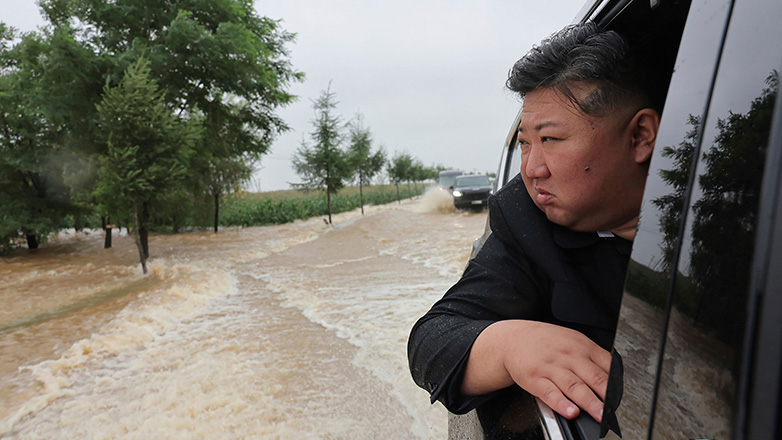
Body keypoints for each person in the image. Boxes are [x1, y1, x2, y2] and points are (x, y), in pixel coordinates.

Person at [407, 21, 662, 427]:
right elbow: (431, 342)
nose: (530, 169)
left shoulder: (732, 217)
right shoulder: (526, 222)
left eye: (550, 140)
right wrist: (508, 345)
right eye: (525, 143)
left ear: (641, 137)